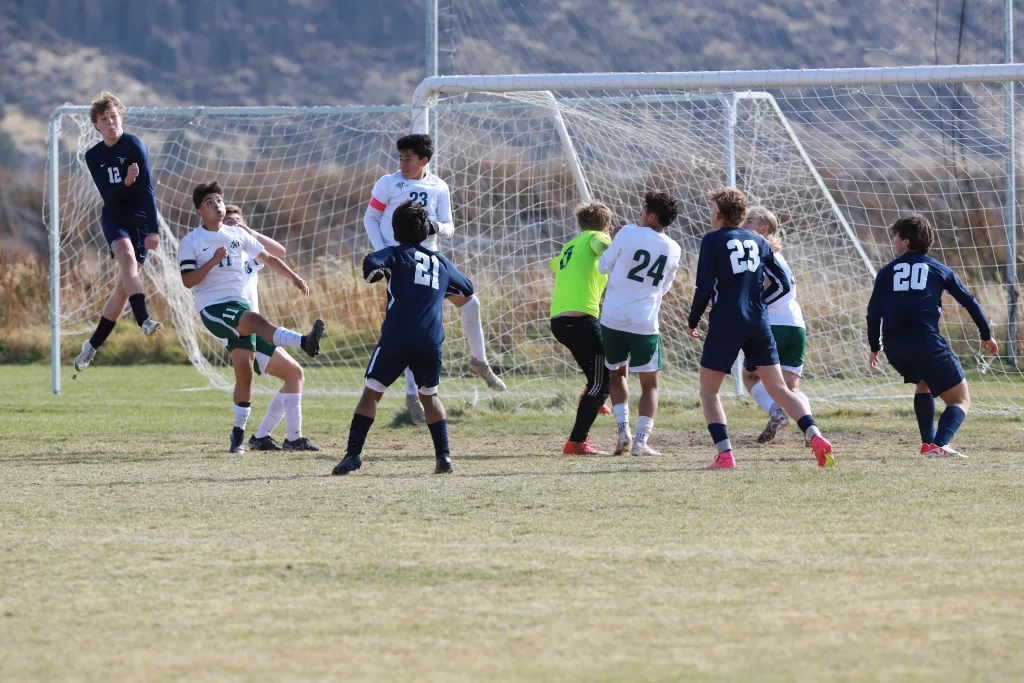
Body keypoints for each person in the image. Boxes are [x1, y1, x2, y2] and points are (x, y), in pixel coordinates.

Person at [686, 188, 834, 469]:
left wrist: (693, 321)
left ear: (718, 213)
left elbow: (704, 288)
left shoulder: (712, 241)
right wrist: (757, 304)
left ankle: (725, 455)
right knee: (780, 389)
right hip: (759, 322)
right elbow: (782, 283)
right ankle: (814, 434)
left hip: (725, 323)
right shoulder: (759, 242)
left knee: (709, 392)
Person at [363, 133, 505, 427]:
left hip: (430, 259)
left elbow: (450, 228)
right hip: (401, 260)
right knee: (416, 324)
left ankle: (479, 361)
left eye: (409, 158)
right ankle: (412, 395)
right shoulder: (388, 183)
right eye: (400, 157)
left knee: (470, 303)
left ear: (423, 160)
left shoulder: (439, 186)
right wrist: (387, 254)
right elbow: (370, 218)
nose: (402, 163)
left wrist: (435, 226)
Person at [178, 181, 325, 454]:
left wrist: (293, 276)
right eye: (209, 201)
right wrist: (211, 262)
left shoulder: (236, 235)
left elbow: (269, 257)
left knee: (247, 376)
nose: (217, 205)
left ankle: (240, 436)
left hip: (238, 308)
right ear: (199, 210)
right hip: (213, 309)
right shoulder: (191, 242)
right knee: (256, 320)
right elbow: (188, 281)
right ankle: (304, 341)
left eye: (219, 200)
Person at [333, 200, 474, 476]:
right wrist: (439, 291)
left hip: (397, 336)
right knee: (430, 396)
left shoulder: (394, 255)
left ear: (395, 233)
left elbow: (372, 264)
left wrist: (378, 272)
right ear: (426, 232)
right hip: (430, 339)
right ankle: (443, 458)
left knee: (372, 392)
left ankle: (353, 455)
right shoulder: (441, 263)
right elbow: (467, 288)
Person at [867, 214, 998, 458]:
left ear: (906, 241)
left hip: (894, 347)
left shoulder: (886, 272)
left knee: (923, 383)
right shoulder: (938, 269)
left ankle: (928, 444)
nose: (893, 242)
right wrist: (986, 334)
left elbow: (873, 312)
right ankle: (940, 443)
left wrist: (875, 345)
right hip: (925, 343)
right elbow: (968, 301)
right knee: (960, 399)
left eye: (896, 237)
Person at [220, 204, 321, 452]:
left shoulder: (248, 250)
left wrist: (248, 231)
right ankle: (293, 439)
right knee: (294, 373)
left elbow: (279, 251)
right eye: (228, 220)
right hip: (240, 329)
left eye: (237, 220)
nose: (233, 223)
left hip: (255, 327)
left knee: (294, 375)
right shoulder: (222, 252)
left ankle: (262, 437)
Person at [75, 92, 163, 373]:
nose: (111, 122)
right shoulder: (93, 156)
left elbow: (148, 189)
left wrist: (154, 230)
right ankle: (145, 321)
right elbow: (109, 196)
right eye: (104, 119)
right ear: (97, 126)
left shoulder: (135, 145)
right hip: (114, 217)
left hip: (139, 220)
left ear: (120, 117)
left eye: (114, 116)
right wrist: (126, 181)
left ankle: (91, 345)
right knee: (125, 257)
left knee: (123, 289)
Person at [598, 191, 682, 456]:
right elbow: (664, 287)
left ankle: (623, 429)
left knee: (617, 374)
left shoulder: (627, 233)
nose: (640, 215)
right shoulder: (674, 248)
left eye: (643, 210)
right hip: (644, 323)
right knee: (650, 384)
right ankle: (641, 442)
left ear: (652, 216)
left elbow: (602, 266)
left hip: (612, 319)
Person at [739, 207, 811, 443]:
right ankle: (812, 432)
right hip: (796, 326)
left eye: (749, 221)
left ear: (764, 229)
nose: (743, 224)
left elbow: (777, 288)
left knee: (749, 377)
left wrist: (753, 307)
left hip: (773, 326)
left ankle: (776, 412)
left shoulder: (759, 252)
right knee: (791, 390)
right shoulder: (779, 255)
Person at [550, 201, 614, 455]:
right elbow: (603, 246)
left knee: (596, 376)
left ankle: (592, 396)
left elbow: (554, 265)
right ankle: (576, 442)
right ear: (606, 226)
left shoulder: (570, 245)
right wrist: (617, 243)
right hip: (581, 320)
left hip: (559, 321)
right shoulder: (598, 239)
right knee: (603, 382)